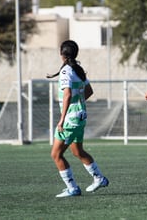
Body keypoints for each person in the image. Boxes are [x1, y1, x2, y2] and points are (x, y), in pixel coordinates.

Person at [48, 40, 109, 197]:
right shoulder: (78, 69)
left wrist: (62, 119)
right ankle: (99, 178)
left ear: (62, 54)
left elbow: (67, 94)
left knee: (56, 154)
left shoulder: (66, 71)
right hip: (80, 117)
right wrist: (78, 104)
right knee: (77, 151)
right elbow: (89, 91)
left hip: (70, 119)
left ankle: (72, 188)